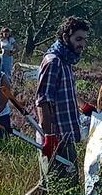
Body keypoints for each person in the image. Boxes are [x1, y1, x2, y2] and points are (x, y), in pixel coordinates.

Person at [36, 16, 90, 168]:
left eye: (84, 40)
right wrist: (49, 136)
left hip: (66, 137)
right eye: (78, 39)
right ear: (66, 37)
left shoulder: (65, 60)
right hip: (56, 140)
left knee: (48, 187)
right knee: (59, 189)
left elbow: (64, 91)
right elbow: (42, 100)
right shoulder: (54, 61)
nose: (82, 44)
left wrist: (83, 106)